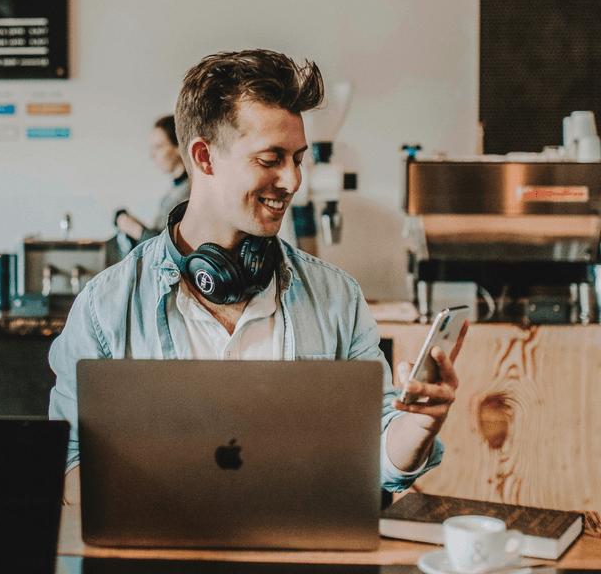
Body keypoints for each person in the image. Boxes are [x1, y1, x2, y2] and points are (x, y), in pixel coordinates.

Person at [49, 49, 460, 504]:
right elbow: (67, 466)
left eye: (298, 159)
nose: (292, 181)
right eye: (271, 159)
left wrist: (417, 426)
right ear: (204, 158)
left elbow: (377, 457)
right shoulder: (105, 308)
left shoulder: (336, 297)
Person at [114, 115, 190, 255]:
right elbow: (160, 236)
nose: (152, 155)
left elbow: (171, 250)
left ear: (179, 147)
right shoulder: (174, 192)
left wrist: (135, 229)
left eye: (159, 146)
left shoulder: (190, 193)